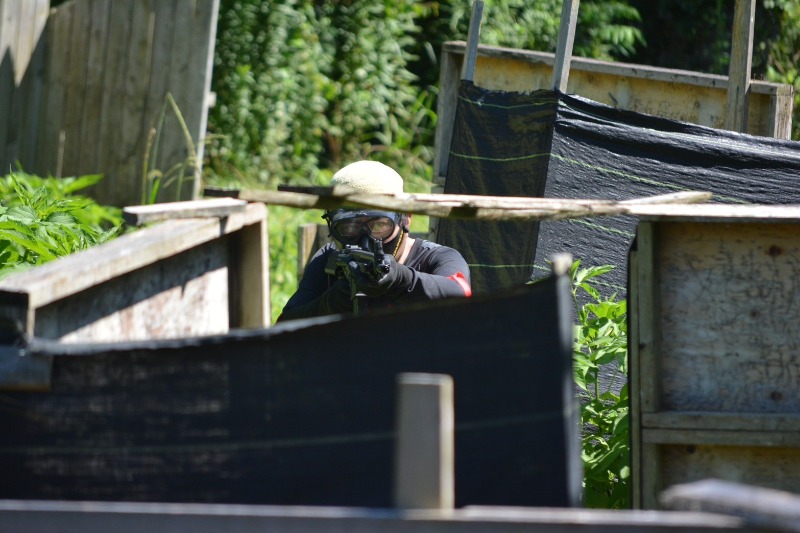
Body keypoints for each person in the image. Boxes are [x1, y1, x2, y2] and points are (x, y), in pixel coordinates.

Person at [277, 160, 471, 321]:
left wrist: (400, 280)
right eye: (349, 227)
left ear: (406, 219)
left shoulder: (437, 258)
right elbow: (285, 326)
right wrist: (331, 302)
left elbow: (460, 293)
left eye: (379, 225)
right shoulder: (329, 261)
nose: (365, 240)